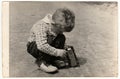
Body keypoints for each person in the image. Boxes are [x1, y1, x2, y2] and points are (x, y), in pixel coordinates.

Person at [27, 8, 75, 73]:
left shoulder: (56, 25)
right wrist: (57, 52)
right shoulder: (41, 26)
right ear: (53, 23)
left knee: (61, 37)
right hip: (35, 46)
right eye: (60, 30)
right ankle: (42, 62)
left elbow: (58, 36)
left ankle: (53, 60)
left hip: (47, 44)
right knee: (49, 39)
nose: (61, 32)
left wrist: (64, 47)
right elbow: (41, 46)